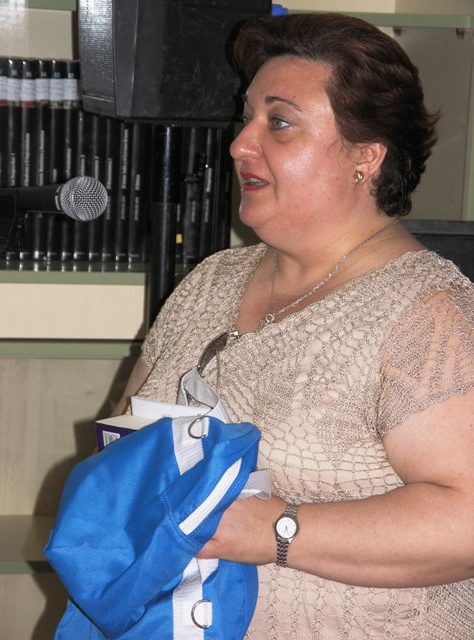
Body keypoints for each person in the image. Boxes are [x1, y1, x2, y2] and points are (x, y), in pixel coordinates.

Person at [113, 13, 474, 639]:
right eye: (246, 117)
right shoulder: (210, 281)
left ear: (366, 157)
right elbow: (124, 441)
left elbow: (465, 520)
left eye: (278, 122)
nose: (239, 145)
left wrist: (276, 530)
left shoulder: (431, 313)